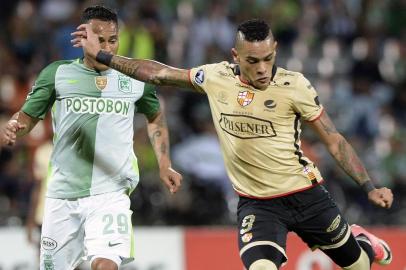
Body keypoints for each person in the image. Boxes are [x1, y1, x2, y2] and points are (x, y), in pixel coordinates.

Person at [72, 19, 394, 270]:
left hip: (306, 196)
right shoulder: (215, 77)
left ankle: (363, 241)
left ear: (276, 51)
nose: (263, 69)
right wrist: (103, 55)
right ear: (235, 56)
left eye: (268, 58)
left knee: (359, 264)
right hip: (257, 204)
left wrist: (369, 187)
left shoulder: (295, 86)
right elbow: (158, 74)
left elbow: (334, 140)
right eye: (253, 61)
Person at [0, 5, 182, 270]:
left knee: (106, 264)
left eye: (113, 39)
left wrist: (164, 163)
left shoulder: (134, 79)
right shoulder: (57, 73)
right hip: (62, 195)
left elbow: (155, 116)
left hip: (111, 192)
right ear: (83, 37)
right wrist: (16, 124)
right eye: (100, 40)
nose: (107, 47)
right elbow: (28, 116)